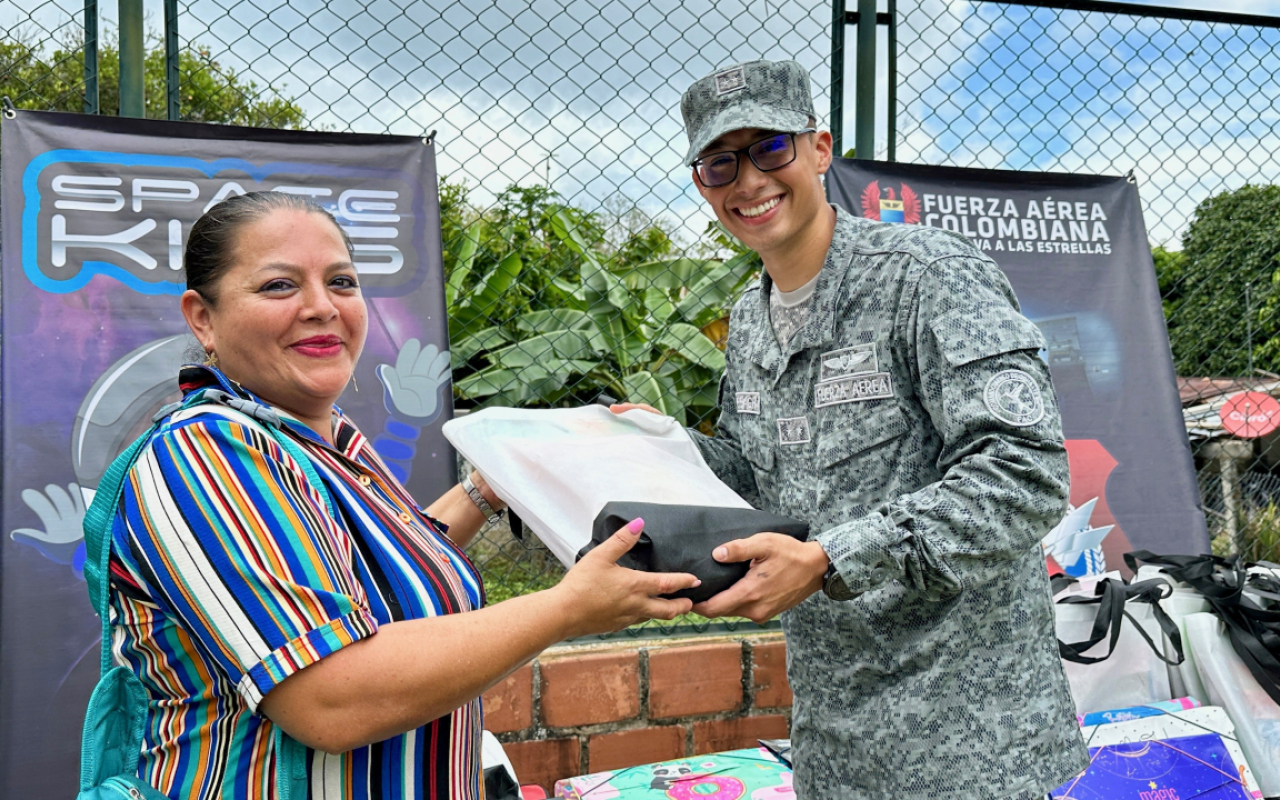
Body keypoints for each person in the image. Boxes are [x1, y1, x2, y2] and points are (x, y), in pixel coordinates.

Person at [99, 191, 699, 800]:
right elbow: (330, 698)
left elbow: (385, 576)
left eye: (341, 282)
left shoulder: (329, 441)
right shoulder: (206, 453)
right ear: (202, 317)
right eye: (279, 286)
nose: (320, 307)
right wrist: (566, 609)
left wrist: (492, 485)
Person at [615, 60, 1088, 798]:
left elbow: (1024, 474)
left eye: (770, 148)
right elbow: (759, 475)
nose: (748, 182)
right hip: (838, 742)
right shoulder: (748, 315)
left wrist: (834, 558)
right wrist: (663, 446)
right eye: (719, 163)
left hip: (973, 741)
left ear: (819, 148)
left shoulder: (927, 277)